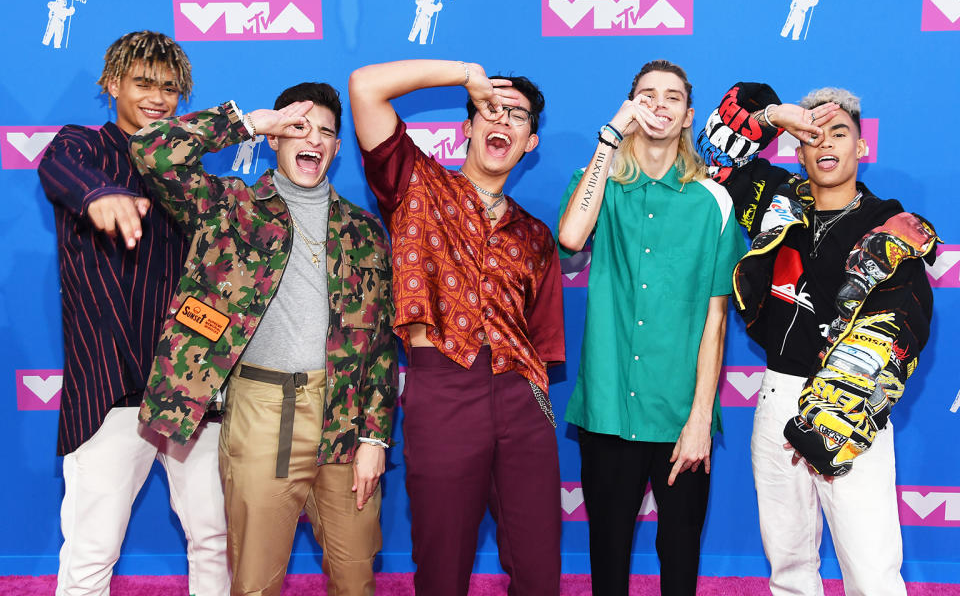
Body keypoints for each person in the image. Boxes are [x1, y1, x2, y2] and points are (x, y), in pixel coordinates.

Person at [128, 83, 398, 596]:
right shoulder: (231, 207)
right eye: (298, 127)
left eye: (325, 132)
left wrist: (375, 437)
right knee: (254, 582)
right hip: (261, 411)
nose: (312, 139)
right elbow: (151, 152)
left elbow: (381, 346)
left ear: (338, 148)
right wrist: (247, 122)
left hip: (344, 418)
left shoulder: (363, 230)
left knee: (357, 577)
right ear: (276, 138)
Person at [696, 82, 938, 596]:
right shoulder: (773, 200)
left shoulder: (892, 227)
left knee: (871, 570)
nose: (826, 145)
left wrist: (837, 413)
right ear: (797, 145)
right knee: (787, 564)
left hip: (852, 411)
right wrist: (771, 114)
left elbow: (900, 326)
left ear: (862, 145)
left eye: (839, 133)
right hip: (778, 394)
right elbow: (713, 151)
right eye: (812, 135)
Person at [349, 60, 565, 596]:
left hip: (522, 395)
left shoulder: (535, 235)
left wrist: (531, 392)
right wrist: (466, 74)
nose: (504, 121)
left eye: (517, 117)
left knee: (540, 571)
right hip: (442, 387)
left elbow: (543, 339)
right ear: (466, 126)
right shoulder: (414, 183)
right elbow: (364, 88)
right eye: (492, 110)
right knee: (442, 567)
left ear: (530, 142)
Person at [38, 30, 229, 596]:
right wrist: (100, 194)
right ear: (112, 84)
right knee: (92, 549)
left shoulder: (184, 171)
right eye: (143, 83)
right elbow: (58, 166)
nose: (158, 97)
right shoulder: (81, 146)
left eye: (170, 88)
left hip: (189, 386)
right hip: (108, 389)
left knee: (215, 540)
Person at [557, 60, 745, 596]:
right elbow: (571, 236)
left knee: (679, 556)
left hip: (679, 416)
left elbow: (715, 321)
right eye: (646, 95)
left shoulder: (714, 201)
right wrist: (609, 139)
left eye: (671, 97)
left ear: (688, 116)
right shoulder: (601, 184)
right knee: (608, 554)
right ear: (631, 105)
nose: (658, 104)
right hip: (608, 408)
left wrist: (699, 421)